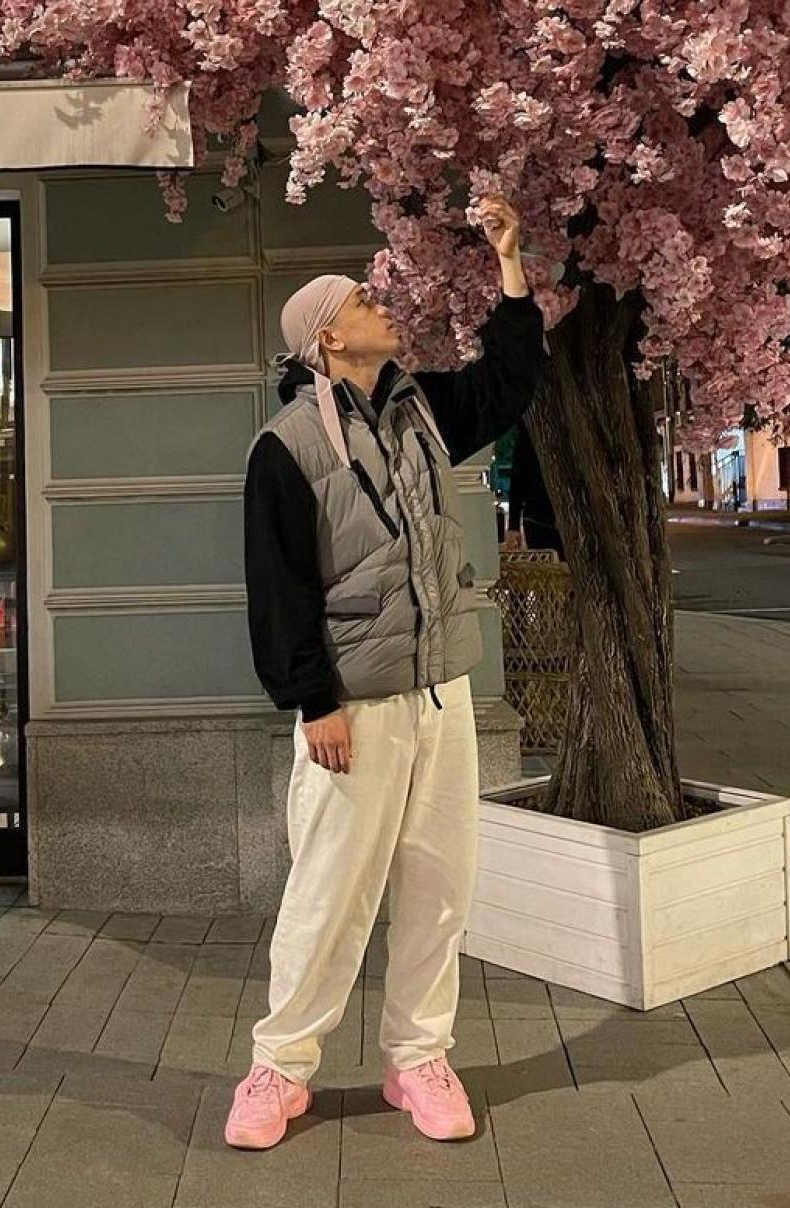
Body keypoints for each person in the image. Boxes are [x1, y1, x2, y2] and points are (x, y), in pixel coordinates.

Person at [232, 197, 546, 1150]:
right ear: (327, 337)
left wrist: (510, 263)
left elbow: (512, 380)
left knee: (440, 883)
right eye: (364, 300)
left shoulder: (423, 411)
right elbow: (278, 587)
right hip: (353, 709)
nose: (385, 304)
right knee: (330, 891)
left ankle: (419, 1059)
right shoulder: (285, 448)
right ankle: (280, 1068)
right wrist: (313, 702)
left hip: (440, 691)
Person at [503, 419, 564, 558]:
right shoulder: (528, 440)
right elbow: (517, 481)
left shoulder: (528, 440)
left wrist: (513, 525)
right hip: (539, 518)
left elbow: (517, 481)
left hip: (538, 516)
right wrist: (513, 525)